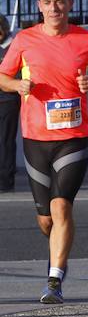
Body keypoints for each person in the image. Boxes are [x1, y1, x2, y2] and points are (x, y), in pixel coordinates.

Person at [0, 0, 88, 303]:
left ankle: (54, 280)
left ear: (71, 4)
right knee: (47, 218)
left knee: (62, 205)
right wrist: (16, 86)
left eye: (60, 1)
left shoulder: (86, 40)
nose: (54, 8)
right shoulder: (24, 40)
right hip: (35, 137)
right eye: (48, 2)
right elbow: (3, 76)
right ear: (39, 6)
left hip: (74, 136)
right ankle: (58, 255)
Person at [0, 14, 20, 193]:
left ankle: (5, 181)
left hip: (8, 100)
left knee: (5, 141)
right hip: (7, 98)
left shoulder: (12, 48)